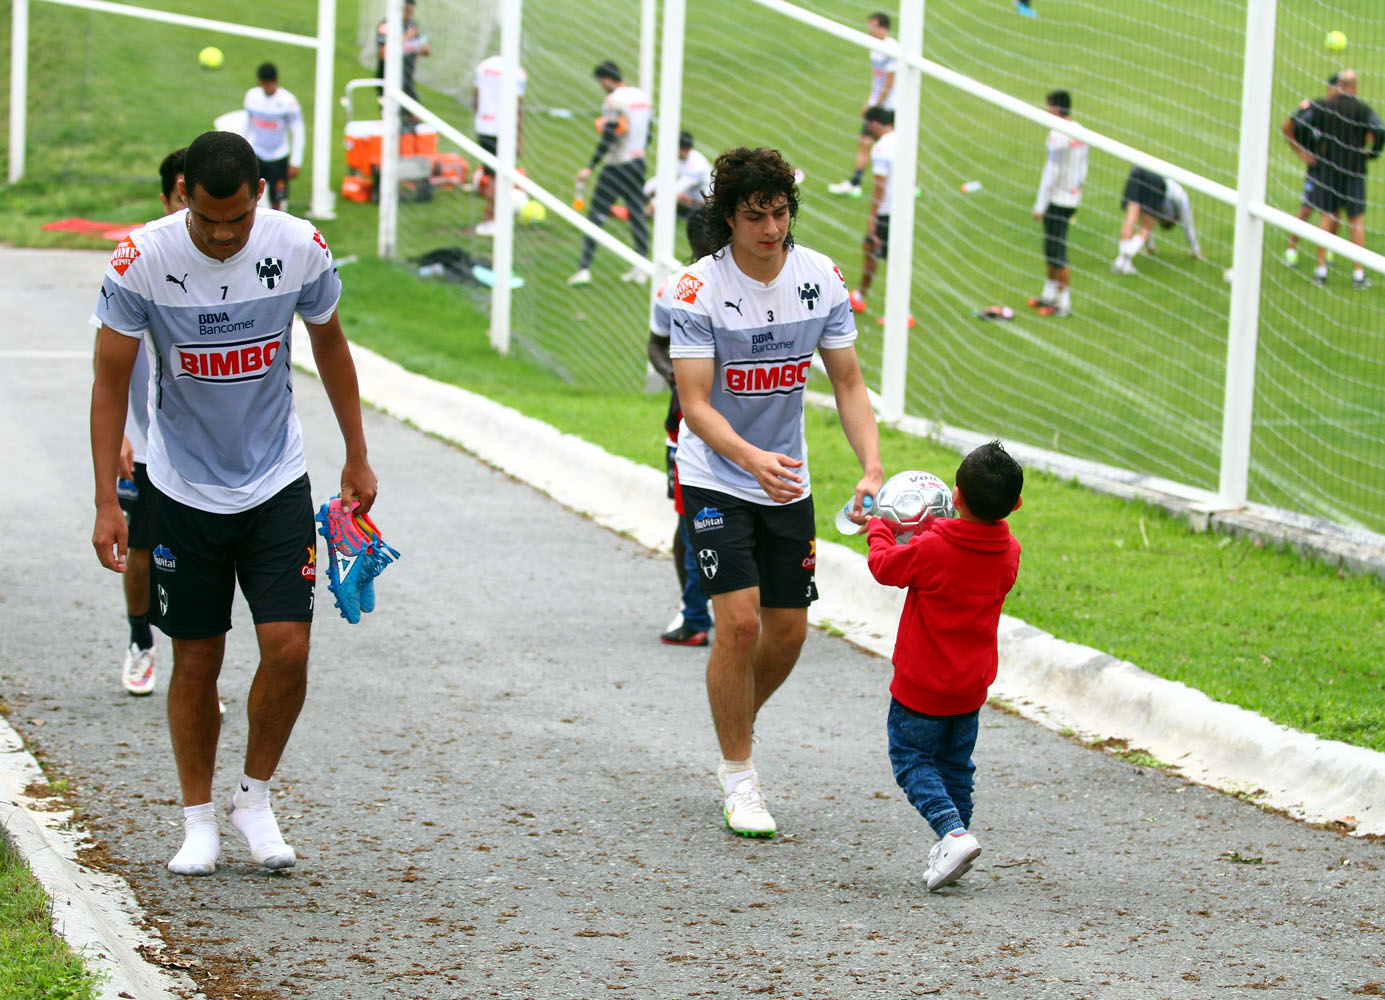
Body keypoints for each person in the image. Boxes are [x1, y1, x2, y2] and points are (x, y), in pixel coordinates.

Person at [90, 130, 378, 876]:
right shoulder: (141, 259)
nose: (221, 237)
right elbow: (107, 381)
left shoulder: (299, 246)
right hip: (180, 484)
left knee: (288, 647)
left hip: (275, 479)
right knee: (197, 658)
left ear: (261, 195)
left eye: (237, 222)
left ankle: (254, 800)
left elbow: (332, 346)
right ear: (183, 194)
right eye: (206, 221)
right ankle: (197, 821)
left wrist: (355, 449)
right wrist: (106, 500)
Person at [668, 147, 883, 838]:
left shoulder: (819, 277)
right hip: (716, 475)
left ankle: (734, 726)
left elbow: (847, 383)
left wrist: (871, 466)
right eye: (754, 216)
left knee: (788, 635)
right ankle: (740, 778)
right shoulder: (696, 290)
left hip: (786, 479)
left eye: (780, 213)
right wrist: (750, 457)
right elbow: (694, 405)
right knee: (737, 624)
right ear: (726, 218)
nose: (770, 228)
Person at [865, 440, 1023, 891]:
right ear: (1016, 504)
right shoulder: (1008, 553)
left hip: (921, 689)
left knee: (911, 760)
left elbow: (884, 566)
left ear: (954, 497)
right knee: (956, 765)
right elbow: (962, 552)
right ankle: (956, 839)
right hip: (970, 688)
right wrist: (931, 528)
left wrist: (882, 526)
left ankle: (952, 834)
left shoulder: (931, 550)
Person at [108, 148, 188, 697]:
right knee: (141, 551)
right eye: (181, 194)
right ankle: (141, 641)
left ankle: (194, 664)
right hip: (143, 444)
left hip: (195, 453)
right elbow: (110, 371)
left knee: (196, 559)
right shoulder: (141, 263)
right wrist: (118, 437)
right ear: (165, 199)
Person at [649, 208, 717, 647]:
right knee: (691, 520)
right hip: (687, 424)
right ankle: (693, 609)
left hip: (748, 419)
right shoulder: (675, 289)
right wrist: (677, 375)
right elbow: (655, 343)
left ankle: (724, 606)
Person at [1292, 69, 1384, 288]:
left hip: (1328, 170)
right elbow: (1380, 130)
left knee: (1326, 217)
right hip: (1354, 171)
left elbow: (1300, 123)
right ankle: (1358, 274)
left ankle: (1320, 270)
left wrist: (1311, 149)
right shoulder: (1362, 109)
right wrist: (1372, 153)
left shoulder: (1324, 106)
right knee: (1355, 221)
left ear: (1340, 85)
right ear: (1354, 87)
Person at [567, 61, 652, 286]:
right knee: (636, 213)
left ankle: (584, 268)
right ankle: (641, 268)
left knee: (596, 215)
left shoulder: (613, 101)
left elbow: (609, 136)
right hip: (638, 162)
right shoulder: (641, 97)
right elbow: (649, 133)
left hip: (617, 165)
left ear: (605, 80)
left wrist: (590, 167)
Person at [1028, 89, 1087, 318]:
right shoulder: (1081, 132)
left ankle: (1063, 302)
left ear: (1055, 108)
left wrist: (1040, 205)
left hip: (1056, 199)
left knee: (1056, 249)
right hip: (1072, 197)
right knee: (1052, 245)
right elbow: (1083, 168)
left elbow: (1050, 173)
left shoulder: (1057, 135)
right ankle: (1049, 294)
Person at [828, 12, 898, 198]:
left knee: (888, 146)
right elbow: (877, 80)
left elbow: (890, 82)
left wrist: (874, 106)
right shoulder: (874, 47)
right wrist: (870, 101)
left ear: (884, 27)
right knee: (865, 142)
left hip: (888, 108)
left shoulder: (892, 49)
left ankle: (857, 184)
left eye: (873, 26)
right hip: (878, 104)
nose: (869, 30)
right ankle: (855, 184)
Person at [1281, 73, 1342, 268]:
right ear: (1331, 88)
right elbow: (1287, 127)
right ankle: (1291, 249)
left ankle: (1329, 249)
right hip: (1317, 169)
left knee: (1335, 211)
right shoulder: (1313, 108)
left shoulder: (1344, 111)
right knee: (1307, 209)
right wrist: (1300, 152)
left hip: (1337, 168)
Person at [472, 51, 527, 237]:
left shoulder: (484, 65)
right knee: (499, 176)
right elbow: (518, 107)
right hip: (503, 130)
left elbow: (476, 97)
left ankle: (492, 216)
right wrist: (520, 137)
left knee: (491, 173)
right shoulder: (517, 72)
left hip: (484, 126)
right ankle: (490, 218)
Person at [1110, 165, 1202, 275]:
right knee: (1146, 227)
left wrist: (1150, 247)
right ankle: (1126, 255)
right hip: (1154, 181)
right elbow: (1188, 225)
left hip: (1137, 171)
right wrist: (1196, 250)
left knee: (1130, 221)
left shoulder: (1172, 192)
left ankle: (1122, 262)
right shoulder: (1181, 199)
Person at [848, 106, 896, 314]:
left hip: (886, 212)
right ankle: (860, 294)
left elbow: (879, 187)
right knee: (892, 256)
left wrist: (872, 220)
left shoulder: (881, 149)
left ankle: (899, 312)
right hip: (903, 210)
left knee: (872, 251)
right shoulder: (903, 140)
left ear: (876, 123)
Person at [243, 63, 305, 213]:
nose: (267, 86)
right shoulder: (252, 97)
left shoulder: (288, 101)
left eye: (270, 82)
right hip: (257, 153)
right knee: (249, 194)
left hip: (278, 157)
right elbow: (246, 125)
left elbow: (298, 131)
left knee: (277, 198)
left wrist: (296, 161)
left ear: (276, 81)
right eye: (264, 83)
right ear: (260, 82)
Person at [643, 131, 712, 218]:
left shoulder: (697, 166)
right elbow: (663, 179)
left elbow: (676, 189)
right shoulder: (678, 158)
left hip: (703, 204)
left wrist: (652, 206)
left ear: (687, 149)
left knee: (677, 196)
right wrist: (647, 190)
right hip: (689, 193)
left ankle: (646, 213)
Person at [375, 0, 431, 106]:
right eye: (406, 11)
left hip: (407, 81)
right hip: (388, 82)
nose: (409, 14)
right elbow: (384, 54)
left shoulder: (412, 25)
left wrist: (418, 47)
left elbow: (427, 50)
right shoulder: (386, 26)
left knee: (413, 118)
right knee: (396, 118)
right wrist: (406, 38)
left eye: (411, 11)